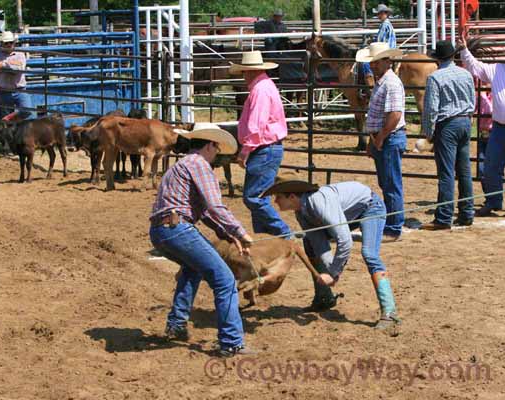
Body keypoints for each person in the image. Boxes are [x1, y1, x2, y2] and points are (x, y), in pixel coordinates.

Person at [149, 123, 255, 357]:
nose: (217, 153)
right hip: (177, 228)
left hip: (161, 231)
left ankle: (177, 324)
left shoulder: (182, 165)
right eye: (216, 148)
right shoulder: (199, 164)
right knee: (225, 280)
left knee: (193, 269)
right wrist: (240, 232)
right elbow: (214, 206)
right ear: (209, 145)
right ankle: (231, 342)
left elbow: (205, 212)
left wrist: (228, 234)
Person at [261, 177, 401, 329]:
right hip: (349, 212)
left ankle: (390, 313)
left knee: (369, 254)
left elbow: (345, 241)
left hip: (370, 207)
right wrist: (331, 274)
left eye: (279, 197)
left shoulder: (319, 203)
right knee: (310, 243)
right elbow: (319, 244)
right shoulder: (301, 212)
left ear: (292, 197)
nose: (276, 201)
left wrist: (333, 272)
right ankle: (324, 298)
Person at [458, 35, 505, 221]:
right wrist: (464, 50)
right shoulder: (497, 69)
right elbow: (476, 67)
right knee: (491, 167)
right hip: (499, 127)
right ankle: (494, 201)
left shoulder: (499, 70)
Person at [229, 51, 292, 237]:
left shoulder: (260, 90)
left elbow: (256, 124)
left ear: (249, 71)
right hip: (266, 147)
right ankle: (268, 236)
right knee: (258, 196)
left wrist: (245, 150)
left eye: (244, 72)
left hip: (264, 148)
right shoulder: (264, 87)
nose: (243, 76)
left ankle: (283, 233)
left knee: (253, 197)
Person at [420, 40, 476, 229]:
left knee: (446, 173)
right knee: (464, 170)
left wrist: (428, 132)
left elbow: (431, 109)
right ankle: (467, 212)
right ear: (452, 56)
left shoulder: (435, 78)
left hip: (448, 125)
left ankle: (444, 217)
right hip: (464, 121)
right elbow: (472, 99)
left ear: (437, 58)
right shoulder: (466, 74)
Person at [356, 42, 406, 241]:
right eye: (372, 62)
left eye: (376, 62)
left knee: (391, 183)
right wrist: (375, 139)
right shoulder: (383, 81)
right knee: (388, 182)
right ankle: (392, 224)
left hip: (389, 137)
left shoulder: (390, 83)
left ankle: (394, 228)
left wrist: (380, 137)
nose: (373, 66)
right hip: (385, 137)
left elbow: (394, 115)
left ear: (387, 61)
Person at [0, 31, 33, 120]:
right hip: (4, 91)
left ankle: (10, 118)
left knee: (27, 110)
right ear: (2, 44)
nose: (9, 45)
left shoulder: (20, 54)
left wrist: (4, 64)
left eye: (11, 42)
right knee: (7, 121)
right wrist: (11, 63)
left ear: (14, 43)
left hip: (19, 89)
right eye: (6, 43)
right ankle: (11, 123)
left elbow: (19, 69)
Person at [361, 4, 397, 85]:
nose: (378, 15)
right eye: (378, 14)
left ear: (385, 14)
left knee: (365, 63)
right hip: (389, 49)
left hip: (385, 51)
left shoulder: (384, 25)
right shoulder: (387, 24)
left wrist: (371, 44)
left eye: (380, 13)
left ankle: (371, 85)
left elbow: (380, 42)